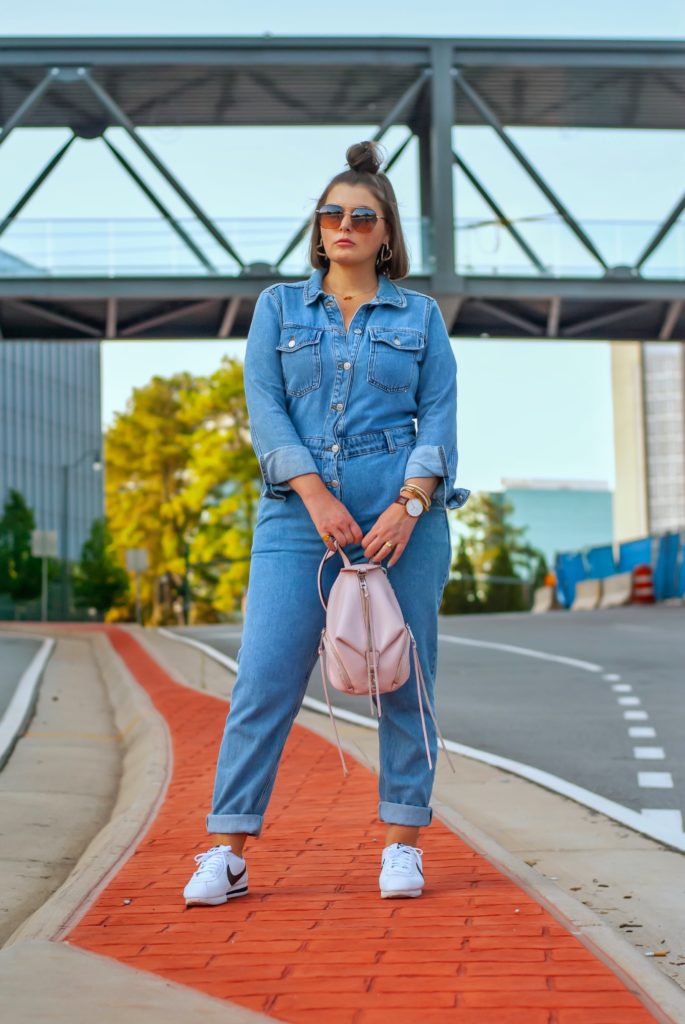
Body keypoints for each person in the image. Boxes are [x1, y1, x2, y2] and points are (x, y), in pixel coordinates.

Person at [183, 139, 470, 907]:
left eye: (361, 216)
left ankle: (401, 841)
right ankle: (227, 848)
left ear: (385, 234)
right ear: (318, 228)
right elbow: (266, 408)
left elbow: (437, 414)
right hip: (294, 514)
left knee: (403, 678)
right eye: (331, 213)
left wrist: (410, 505)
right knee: (266, 677)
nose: (344, 225)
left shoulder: (421, 316)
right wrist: (313, 494)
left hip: (397, 514)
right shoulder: (278, 307)